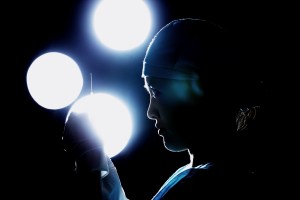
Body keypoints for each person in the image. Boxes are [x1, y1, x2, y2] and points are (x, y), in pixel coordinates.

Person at [62, 18, 270, 199]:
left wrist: (91, 172)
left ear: (200, 91)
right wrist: (97, 169)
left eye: (157, 92)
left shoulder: (204, 185)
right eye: (150, 94)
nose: (151, 112)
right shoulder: (199, 176)